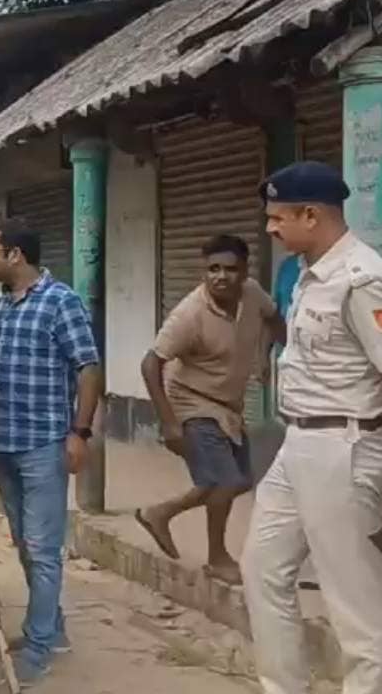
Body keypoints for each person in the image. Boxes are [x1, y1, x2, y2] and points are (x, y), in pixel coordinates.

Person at [243, 160, 382, 694]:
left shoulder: (363, 280)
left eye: (278, 218)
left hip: (345, 447)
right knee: (262, 569)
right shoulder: (307, 272)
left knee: (356, 604)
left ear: (311, 214)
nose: (270, 229)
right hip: (298, 442)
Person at [0, 220, 103, 685]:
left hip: (43, 443)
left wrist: (80, 433)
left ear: (15, 256)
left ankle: (37, 649)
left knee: (42, 547)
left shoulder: (61, 302)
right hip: (7, 442)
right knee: (24, 542)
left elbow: (88, 368)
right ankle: (51, 631)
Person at [133, 234, 285, 584]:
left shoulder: (253, 294)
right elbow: (150, 364)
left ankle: (159, 513)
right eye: (213, 269)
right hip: (191, 403)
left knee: (239, 480)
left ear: (244, 271)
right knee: (223, 480)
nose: (220, 276)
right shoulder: (190, 313)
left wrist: (265, 353)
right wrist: (169, 423)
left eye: (230, 269)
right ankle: (217, 557)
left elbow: (274, 320)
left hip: (228, 405)